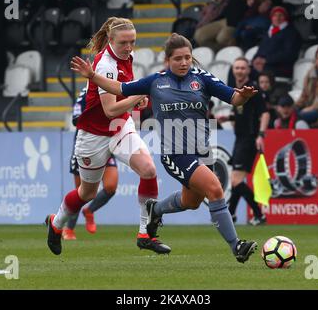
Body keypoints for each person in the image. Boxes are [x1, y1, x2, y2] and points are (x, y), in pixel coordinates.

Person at [71, 33, 259, 263]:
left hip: (201, 151)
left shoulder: (202, 79)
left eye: (187, 58)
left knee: (191, 202)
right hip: (176, 154)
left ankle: (155, 210)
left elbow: (234, 98)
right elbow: (119, 87)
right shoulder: (155, 81)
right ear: (167, 60)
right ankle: (236, 246)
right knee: (216, 189)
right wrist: (92, 75)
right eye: (178, 58)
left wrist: (244, 97)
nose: (183, 63)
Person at [45, 17, 171, 256]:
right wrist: (139, 96)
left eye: (132, 41)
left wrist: (136, 99)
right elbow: (110, 109)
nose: (129, 47)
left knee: (148, 170)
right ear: (111, 40)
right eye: (124, 42)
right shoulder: (106, 65)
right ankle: (56, 223)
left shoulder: (126, 57)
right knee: (87, 193)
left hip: (119, 127)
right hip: (94, 135)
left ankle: (146, 233)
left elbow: (120, 104)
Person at [62, 89, 118, 240]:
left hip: (107, 145)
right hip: (87, 146)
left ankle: (90, 211)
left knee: (111, 187)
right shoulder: (85, 93)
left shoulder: (114, 88)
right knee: (82, 193)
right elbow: (76, 119)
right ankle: (68, 228)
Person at [218, 57, 269, 226]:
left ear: (248, 70)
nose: (239, 70)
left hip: (249, 139)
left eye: (242, 68)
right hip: (240, 138)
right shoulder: (238, 89)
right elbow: (245, 114)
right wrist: (230, 117)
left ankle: (258, 214)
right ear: (233, 70)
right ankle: (231, 214)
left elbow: (265, 113)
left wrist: (261, 135)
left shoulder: (253, 89)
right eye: (237, 68)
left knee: (236, 181)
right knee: (236, 180)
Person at [252, 6, 301, 79]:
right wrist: (255, 60)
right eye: (275, 15)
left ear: (285, 17)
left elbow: (289, 54)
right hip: (266, 64)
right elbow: (261, 49)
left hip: (282, 67)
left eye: (280, 15)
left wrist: (266, 61)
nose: (277, 18)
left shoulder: (291, 33)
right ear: (271, 18)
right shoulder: (269, 32)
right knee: (243, 68)